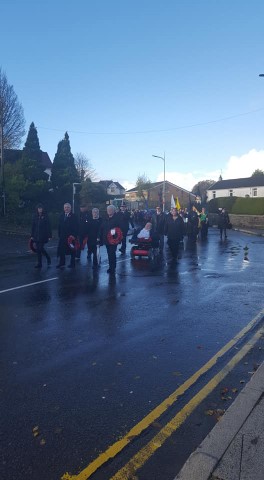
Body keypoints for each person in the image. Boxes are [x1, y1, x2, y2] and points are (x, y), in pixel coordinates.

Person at [100, 205, 122, 274]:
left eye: (111, 210)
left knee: (112, 254)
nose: (109, 211)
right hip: (106, 240)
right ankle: (110, 267)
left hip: (114, 240)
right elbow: (102, 228)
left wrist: (118, 239)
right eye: (108, 210)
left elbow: (120, 229)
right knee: (109, 254)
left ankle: (113, 268)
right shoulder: (105, 218)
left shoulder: (117, 218)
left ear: (114, 210)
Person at [56, 203, 79, 268]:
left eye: (68, 207)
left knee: (72, 250)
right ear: (63, 208)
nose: (66, 208)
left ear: (70, 208)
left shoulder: (74, 216)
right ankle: (62, 263)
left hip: (71, 237)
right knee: (62, 250)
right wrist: (59, 234)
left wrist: (74, 235)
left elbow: (77, 226)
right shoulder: (61, 216)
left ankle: (72, 264)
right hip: (63, 236)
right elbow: (59, 226)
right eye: (65, 207)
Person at [30, 204, 52, 269]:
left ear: (42, 209)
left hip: (43, 236)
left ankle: (48, 257)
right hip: (36, 235)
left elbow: (48, 226)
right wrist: (32, 235)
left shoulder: (45, 216)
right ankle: (39, 264)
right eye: (39, 208)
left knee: (40, 248)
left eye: (41, 208)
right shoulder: (35, 216)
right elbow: (33, 226)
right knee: (39, 250)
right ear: (37, 209)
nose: (40, 209)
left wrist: (49, 235)